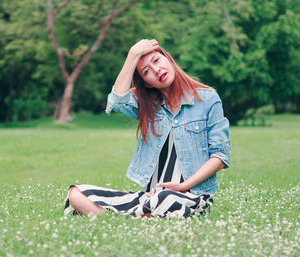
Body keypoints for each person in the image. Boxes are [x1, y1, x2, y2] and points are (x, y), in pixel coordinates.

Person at [64, 39, 231, 218]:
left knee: (164, 199)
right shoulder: (149, 106)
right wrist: (132, 55)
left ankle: (123, 217)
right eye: (146, 72)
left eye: (157, 61)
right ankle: (135, 216)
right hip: (150, 197)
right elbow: (115, 103)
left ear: (168, 59)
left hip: (193, 197)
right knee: (76, 193)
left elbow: (220, 156)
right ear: (148, 83)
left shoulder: (207, 99)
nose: (156, 70)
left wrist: (184, 186)